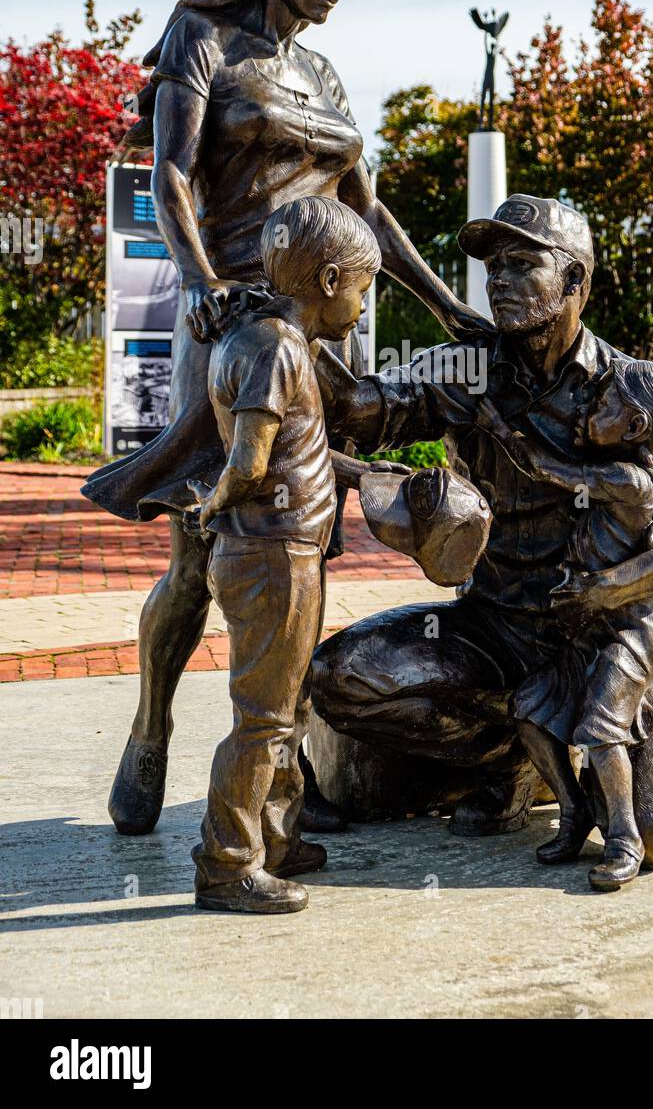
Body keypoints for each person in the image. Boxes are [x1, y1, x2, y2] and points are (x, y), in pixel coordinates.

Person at [82, 0, 486, 837]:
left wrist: (448, 306)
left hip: (325, 329)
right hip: (231, 326)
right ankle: (152, 727)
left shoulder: (328, 75)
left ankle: (280, 769)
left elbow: (368, 211)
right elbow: (170, 173)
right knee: (200, 550)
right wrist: (198, 281)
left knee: (304, 540)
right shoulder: (201, 38)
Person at [309, 195, 653, 872]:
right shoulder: (463, 369)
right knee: (337, 679)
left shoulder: (640, 391)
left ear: (574, 282)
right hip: (494, 626)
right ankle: (518, 758)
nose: (498, 280)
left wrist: (609, 588)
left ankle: (554, 745)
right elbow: (362, 410)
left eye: (521, 264)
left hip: (606, 635)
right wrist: (291, 319)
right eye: (492, 267)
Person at [189, 195, 384, 914]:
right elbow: (248, 464)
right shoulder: (274, 346)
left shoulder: (272, 341)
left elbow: (304, 449)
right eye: (363, 288)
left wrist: (373, 476)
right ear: (330, 279)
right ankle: (226, 862)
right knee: (263, 717)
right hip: (274, 554)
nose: (363, 308)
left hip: (289, 548)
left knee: (289, 703)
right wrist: (212, 507)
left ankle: (278, 833)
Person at [474, 357, 653, 889]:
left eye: (603, 404)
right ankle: (574, 813)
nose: (588, 408)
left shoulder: (629, 481)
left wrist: (500, 429)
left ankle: (624, 839)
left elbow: (549, 470)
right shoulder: (612, 473)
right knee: (530, 710)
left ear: (635, 427)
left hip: (629, 635)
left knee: (599, 730)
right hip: (586, 632)